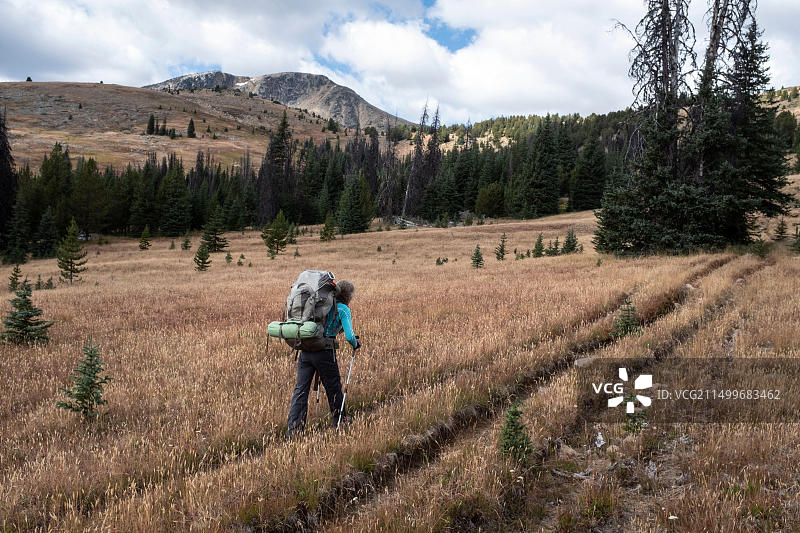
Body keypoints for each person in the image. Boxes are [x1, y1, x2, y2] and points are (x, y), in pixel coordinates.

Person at [286, 280, 359, 436]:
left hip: (306, 349)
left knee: (301, 390)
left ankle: (294, 429)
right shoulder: (343, 309)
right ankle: (340, 420)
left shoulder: (319, 305)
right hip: (325, 352)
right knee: (333, 387)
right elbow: (349, 336)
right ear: (348, 295)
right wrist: (355, 343)